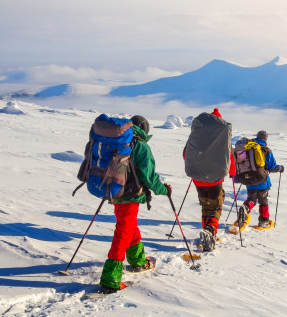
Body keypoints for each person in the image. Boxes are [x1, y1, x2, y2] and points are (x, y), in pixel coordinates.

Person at [99, 115, 171, 293]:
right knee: (123, 231)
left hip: (115, 191)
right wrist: (163, 190)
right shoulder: (141, 146)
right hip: (130, 195)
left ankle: (138, 261)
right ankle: (111, 278)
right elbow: (149, 177)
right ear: (144, 130)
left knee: (129, 226)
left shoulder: (119, 142)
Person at [183, 108, 235, 251]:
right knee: (215, 207)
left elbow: (186, 154)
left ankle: (206, 230)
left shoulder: (197, 136)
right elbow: (229, 158)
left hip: (197, 179)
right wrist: (232, 172)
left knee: (205, 205)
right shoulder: (223, 139)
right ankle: (211, 230)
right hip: (215, 180)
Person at [236, 130, 283, 229]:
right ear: (265, 139)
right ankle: (263, 221)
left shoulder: (249, 147)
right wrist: (280, 168)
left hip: (249, 180)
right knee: (263, 201)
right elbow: (272, 167)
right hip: (262, 181)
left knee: (251, 199)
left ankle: (246, 208)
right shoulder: (266, 150)